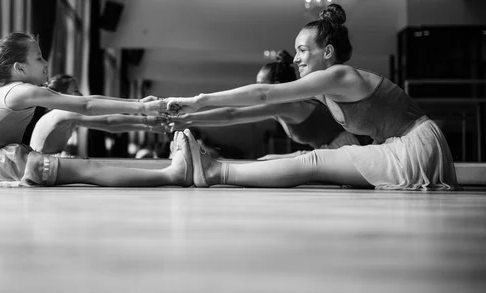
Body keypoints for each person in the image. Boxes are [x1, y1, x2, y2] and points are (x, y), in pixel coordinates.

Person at [162, 4, 458, 191]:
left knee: (314, 161)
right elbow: (244, 110)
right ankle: (216, 169)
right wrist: (191, 113)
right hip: (402, 146)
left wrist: (199, 100)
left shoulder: (340, 75)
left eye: (303, 51)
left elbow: (265, 93)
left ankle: (215, 171)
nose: (297, 61)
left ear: (327, 52)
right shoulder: (325, 90)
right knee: (312, 161)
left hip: (416, 146)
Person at [0, 32, 192, 187]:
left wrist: (143, 111)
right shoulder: (21, 91)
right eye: (39, 58)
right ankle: (171, 175)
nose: (46, 64)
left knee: (86, 167)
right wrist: (144, 107)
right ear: (20, 67)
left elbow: (95, 111)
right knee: (88, 169)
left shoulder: (10, 90)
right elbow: (87, 105)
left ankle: (170, 174)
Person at [168, 50, 359, 160]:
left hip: (344, 149)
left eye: (261, 86)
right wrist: (188, 119)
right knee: (269, 160)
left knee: (269, 161)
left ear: (276, 87)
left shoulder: (286, 105)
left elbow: (233, 114)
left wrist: (188, 118)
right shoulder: (280, 108)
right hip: (328, 151)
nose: (255, 91)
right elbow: (234, 114)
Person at [30, 74, 168, 155]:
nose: (81, 94)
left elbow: (107, 124)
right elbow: (107, 120)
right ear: (62, 94)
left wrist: (139, 106)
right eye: (76, 90)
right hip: (40, 167)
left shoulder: (63, 114)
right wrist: (147, 121)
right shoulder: (61, 112)